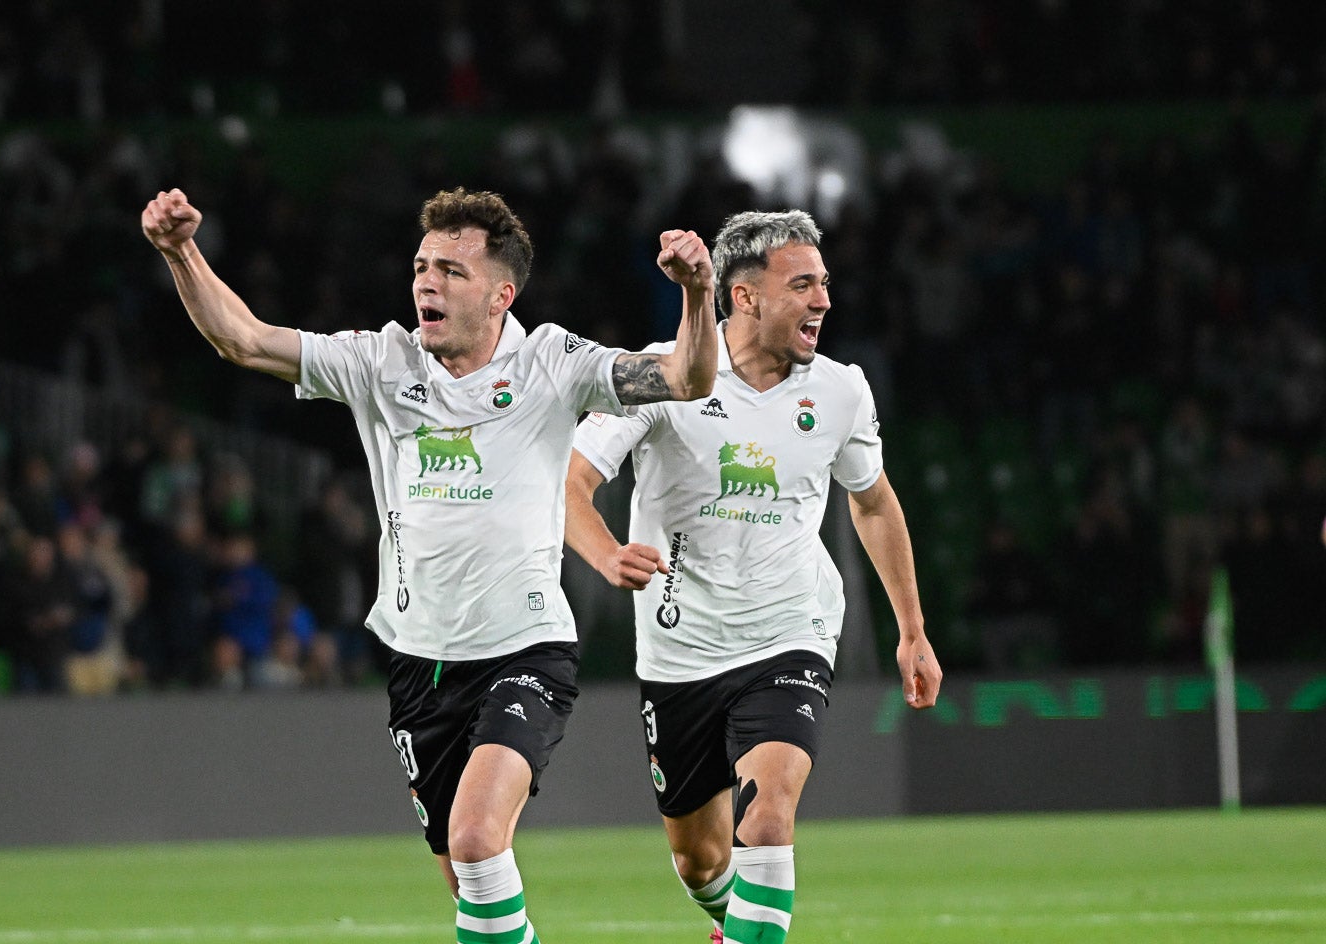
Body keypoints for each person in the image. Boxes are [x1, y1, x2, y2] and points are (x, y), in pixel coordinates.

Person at [141, 185, 718, 943]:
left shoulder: (552, 361)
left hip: (524, 649)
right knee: (468, 881)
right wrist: (181, 252)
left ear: (500, 293)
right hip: (420, 664)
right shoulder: (382, 360)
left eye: (450, 269)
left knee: (480, 839)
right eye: (421, 265)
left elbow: (687, 380)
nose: (425, 282)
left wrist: (697, 294)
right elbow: (244, 341)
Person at [565, 209, 942, 944]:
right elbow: (570, 483)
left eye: (824, 284)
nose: (823, 301)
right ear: (744, 298)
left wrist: (912, 629)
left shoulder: (840, 391)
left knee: (765, 819)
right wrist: (607, 552)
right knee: (699, 861)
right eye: (802, 285)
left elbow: (871, 502)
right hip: (680, 651)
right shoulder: (662, 373)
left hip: (787, 633)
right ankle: (734, 924)